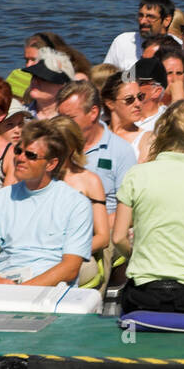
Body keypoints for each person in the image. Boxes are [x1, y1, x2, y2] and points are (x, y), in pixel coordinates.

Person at [113, 101, 184, 314]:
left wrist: (138, 254)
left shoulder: (136, 174)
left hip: (143, 294)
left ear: (162, 132)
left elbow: (118, 238)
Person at [0, 123, 93, 287]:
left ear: (51, 164)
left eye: (31, 155)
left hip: (49, 289)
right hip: (4, 282)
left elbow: (70, 268)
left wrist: (23, 291)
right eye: (18, 151)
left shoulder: (77, 204)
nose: (20, 158)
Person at [57, 79, 137, 225]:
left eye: (69, 118)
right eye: (59, 117)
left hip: (103, 230)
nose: (63, 124)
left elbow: (129, 210)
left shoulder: (121, 151)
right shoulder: (54, 145)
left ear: (93, 113)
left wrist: (87, 228)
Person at [43, 114, 112, 285]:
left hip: (75, 253)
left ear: (72, 147)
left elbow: (102, 237)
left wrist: (68, 253)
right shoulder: (38, 177)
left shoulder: (90, 181)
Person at [103, 0, 177, 71]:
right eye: (140, 16)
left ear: (166, 20)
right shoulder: (123, 42)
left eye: (150, 17)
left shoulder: (178, 47)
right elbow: (105, 76)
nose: (142, 21)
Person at [101, 70, 152, 160]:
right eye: (129, 99)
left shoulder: (147, 139)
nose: (138, 104)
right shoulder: (98, 135)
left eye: (140, 97)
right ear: (110, 104)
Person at [23, 46, 76, 117]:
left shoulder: (72, 116)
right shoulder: (20, 115)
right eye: (34, 76)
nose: (34, 81)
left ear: (63, 85)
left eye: (43, 78)